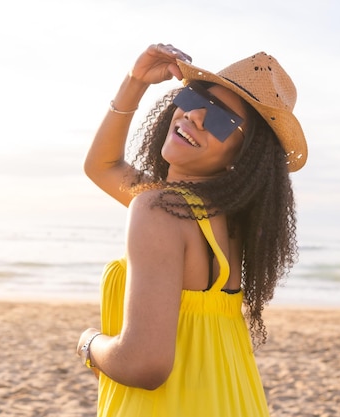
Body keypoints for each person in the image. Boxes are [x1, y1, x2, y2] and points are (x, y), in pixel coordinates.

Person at [76, 43, 307, 416]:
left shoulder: (160, 211)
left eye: (220, 121)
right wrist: (135, 81)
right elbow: (102, 167)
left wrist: (89, 343)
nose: (195, 115)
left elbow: (143, 364)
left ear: (242, 155)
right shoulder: (225, 220)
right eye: (195, 97)